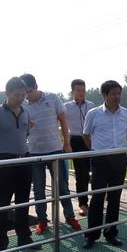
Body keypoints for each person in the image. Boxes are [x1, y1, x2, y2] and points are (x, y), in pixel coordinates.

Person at [20, 74, 82, 234]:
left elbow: (63, 121)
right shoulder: (23, 104)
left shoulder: (52, 98)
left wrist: (67, 143)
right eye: (24, 93)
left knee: (62, 186)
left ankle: (70, 217)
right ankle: (42, 220)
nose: (27, 96)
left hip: (55, 150)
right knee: (38, 189)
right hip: (34, 153)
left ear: (36, 86)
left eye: (29, 91)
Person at [0, 77, 40, 252]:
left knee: (23, 201)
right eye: (17, 95)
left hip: (24, 159)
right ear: (7, 93)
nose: (20, 98)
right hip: (5, 160)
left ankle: (24, 237)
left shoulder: (26, 112)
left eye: (23, 95)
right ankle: (1, 243)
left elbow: (25, 134)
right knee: (2, 203)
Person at [81, 80, 127, 249]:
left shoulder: (126, 113)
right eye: (113, 94)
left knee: (115, 198)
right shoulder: (93, 114)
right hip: (100, 160)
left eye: (119, 93)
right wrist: (96, 150)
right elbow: (86, 135)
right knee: (97, 197)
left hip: (119, 159)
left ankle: (111, 233)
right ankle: (92, 235)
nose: (117, 97)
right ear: (104, 95)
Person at [64, 79, 95, 216]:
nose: (81, 93)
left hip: (91, 140)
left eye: (83, 90)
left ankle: (97, 200)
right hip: (76, 141)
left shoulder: (91, 105)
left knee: (96, 172)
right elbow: (62, 125)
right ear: (72, 91)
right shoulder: (66, 107)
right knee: (81, 175)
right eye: (78, 90)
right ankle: (83, 204)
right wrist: (66, 142)